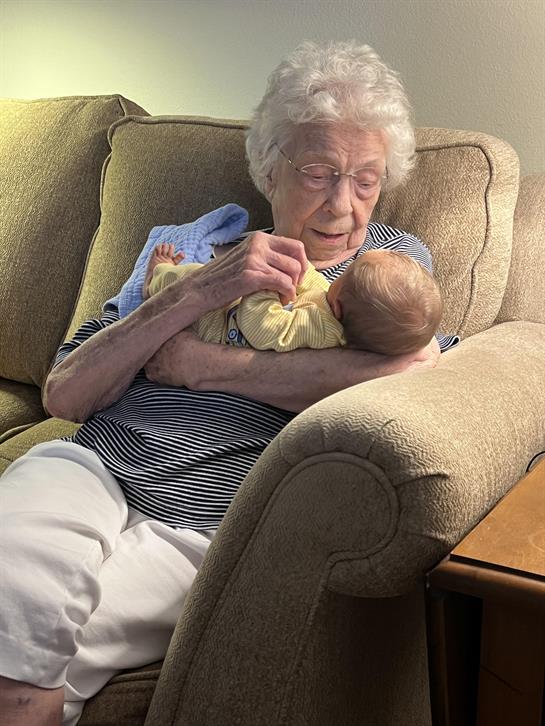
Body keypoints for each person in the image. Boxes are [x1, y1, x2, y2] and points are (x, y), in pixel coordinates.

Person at [0, 40, 456, 726]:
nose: (344, 205)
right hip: (91, 465)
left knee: (45, 649)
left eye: (366, 179)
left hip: (205, 519)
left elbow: (414, 364)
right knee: (11, 582)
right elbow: (65, 394)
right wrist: (196, 292)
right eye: (317, 172)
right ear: (268, 169)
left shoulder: (384, 269)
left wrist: (204, 366)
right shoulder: (191, 248)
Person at [144, 242, 443, 354]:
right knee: (204, 275)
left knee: (191, 279)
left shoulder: (321, 328)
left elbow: (263, 328)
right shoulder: (337, 308)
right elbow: (315, 285)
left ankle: (156, 279)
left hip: (218, 327)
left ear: (338, 307)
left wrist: (264, 286)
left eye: (346, 273)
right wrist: (300, 268)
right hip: (230, 310)